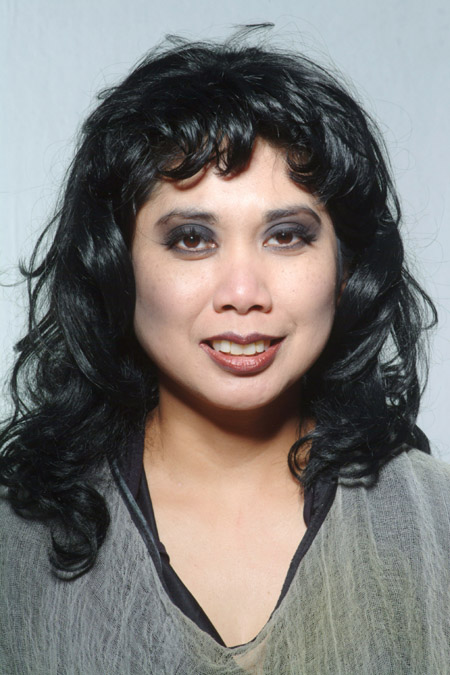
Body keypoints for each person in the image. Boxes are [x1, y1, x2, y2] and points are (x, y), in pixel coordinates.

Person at [1, 30, 450, 674]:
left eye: (287, 236)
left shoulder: (438, 521)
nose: (243, 294)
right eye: (192, 239)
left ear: (345, 268)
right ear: (116, 267)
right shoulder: (14, 540)